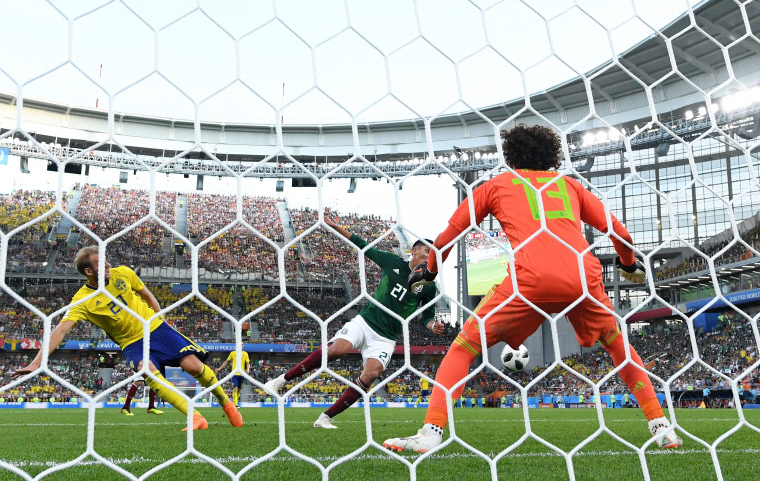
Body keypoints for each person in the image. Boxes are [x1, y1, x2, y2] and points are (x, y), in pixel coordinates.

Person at [383, 124, 682, 453]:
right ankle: (661, 426)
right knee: (616, 345)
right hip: (583, 278)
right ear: (552, 155)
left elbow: (446, 239)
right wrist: (626, 264)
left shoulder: (495, 186)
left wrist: (428, 272)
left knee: (464, 348)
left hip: (531, 279)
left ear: (510, 155)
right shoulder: (569, 185)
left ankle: (431, 432)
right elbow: (621, 234)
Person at [12, 246, 243, 431]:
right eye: (101, 264)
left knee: (193, 366)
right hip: (131, 342)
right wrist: (37, 362)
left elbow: (145, 293)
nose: (109, 265)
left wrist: (160, 317)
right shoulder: (81, 300)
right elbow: (60, 331)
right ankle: (196, 417)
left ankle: (226, 403)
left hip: (155, 327)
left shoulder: (122, 273)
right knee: (147, 371)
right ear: (89, 272)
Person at [264, 217, 445, 428]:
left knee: (372, 373)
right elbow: (362, 245)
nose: (430, 258)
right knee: (337, 350)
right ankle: (279, 381)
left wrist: (433, 325)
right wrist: (334, 227)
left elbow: (426, 316)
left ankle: (326, 417)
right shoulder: (392, 262)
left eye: (433, 255)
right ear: (414, 251)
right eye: (427, 252)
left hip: (386, 337)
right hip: (366, 321)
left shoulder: (429, 286)